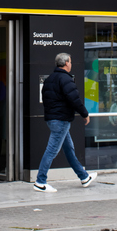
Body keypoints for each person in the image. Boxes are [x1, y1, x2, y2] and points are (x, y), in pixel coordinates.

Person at [33, 52, 96, 193]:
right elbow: (74, 99)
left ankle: (84, 177)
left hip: (53, 119)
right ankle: (40, 182)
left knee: (69, 150)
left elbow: (46, 99)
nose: (71, 64)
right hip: (61, 120)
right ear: (66, 63)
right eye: (70, 62)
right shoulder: (66, 79)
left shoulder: (50, 79)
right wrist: (85, 114)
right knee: (51, 150)